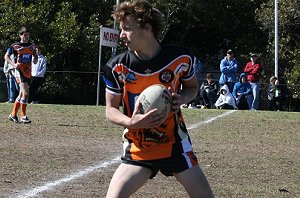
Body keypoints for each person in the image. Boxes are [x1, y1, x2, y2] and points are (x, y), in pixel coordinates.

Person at [103, 1, 214, 197]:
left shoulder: (180, 59)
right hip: (138, 147)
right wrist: (130, 122)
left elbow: (192, 88)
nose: (121, 35)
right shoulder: (117, 66)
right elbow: (110, 110)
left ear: (147, 28)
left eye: (127, 29)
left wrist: (183, 98)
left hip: (175, 146)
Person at [4, 26, 37, 124]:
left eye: (28, 35)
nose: (27, 37)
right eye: (25, 35)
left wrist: (35, 58)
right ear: (20, 35)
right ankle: (23, 116)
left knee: (22, 94)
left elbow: (35, 56)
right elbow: (6, 56)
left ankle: (13, 115)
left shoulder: (31, 46)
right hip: (19, 71)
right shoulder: (15, 46)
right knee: (26, 93)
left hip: (28, 71)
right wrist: (14, 64)